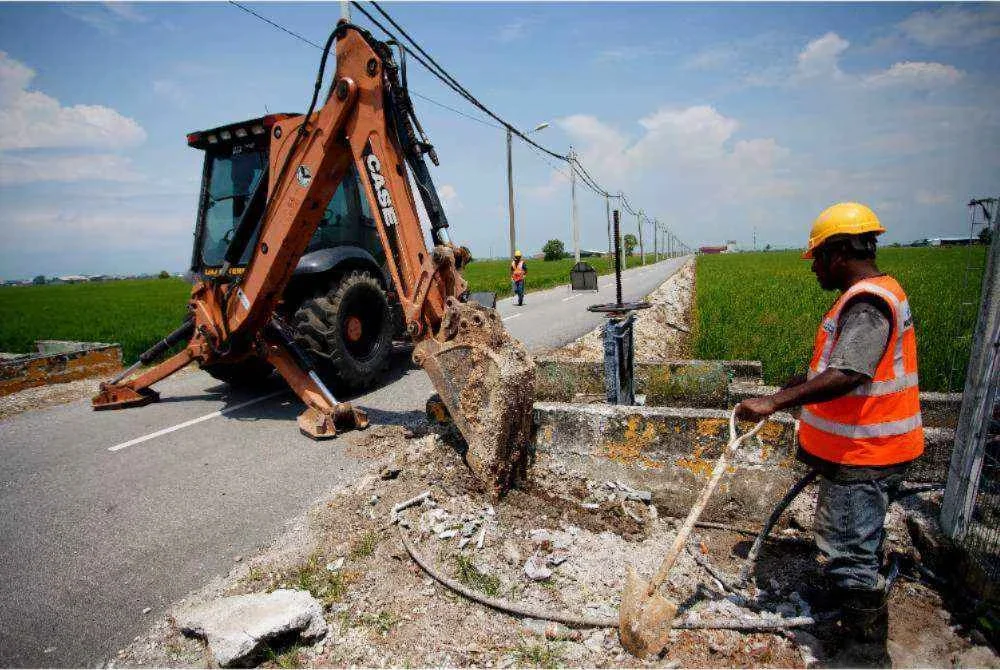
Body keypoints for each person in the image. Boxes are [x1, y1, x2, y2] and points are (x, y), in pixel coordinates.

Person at [735, 202, 923, 668]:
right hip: (861, 450)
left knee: (849, 548)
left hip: (865, 452)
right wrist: (789, 388)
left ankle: (864, 651)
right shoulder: (872, 295)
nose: (815, 268)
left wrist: (777, 402)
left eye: (818, 257)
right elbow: (831, 368)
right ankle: (848, 610)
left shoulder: (866, 303)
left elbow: (848, 373)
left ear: (839, 253)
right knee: (858, 538)